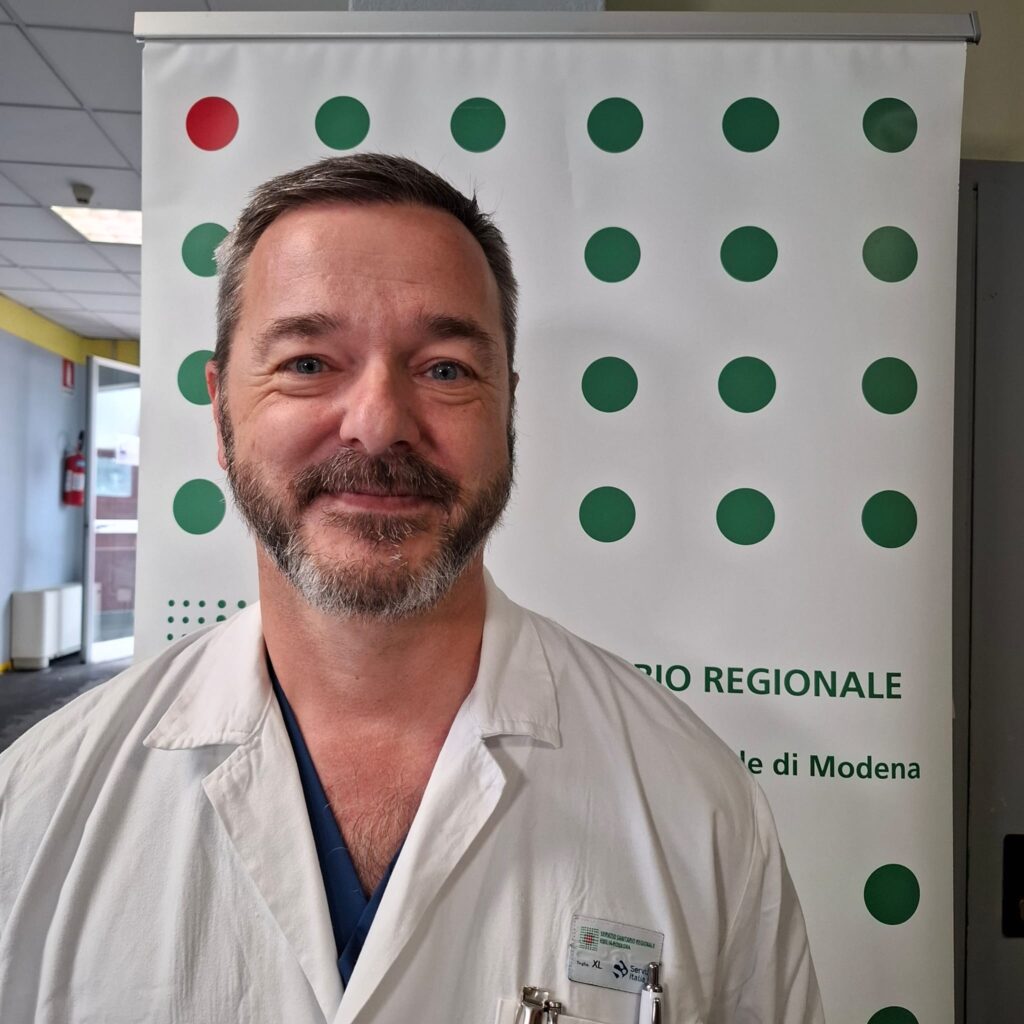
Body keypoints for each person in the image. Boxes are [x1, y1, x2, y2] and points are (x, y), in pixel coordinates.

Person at [0, 154, 823, 1024]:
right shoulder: (36, 809)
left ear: (507, 410)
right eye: (308, 362)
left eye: (445, 370)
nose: (379, 423)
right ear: (220, 410)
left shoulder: (695, 807)